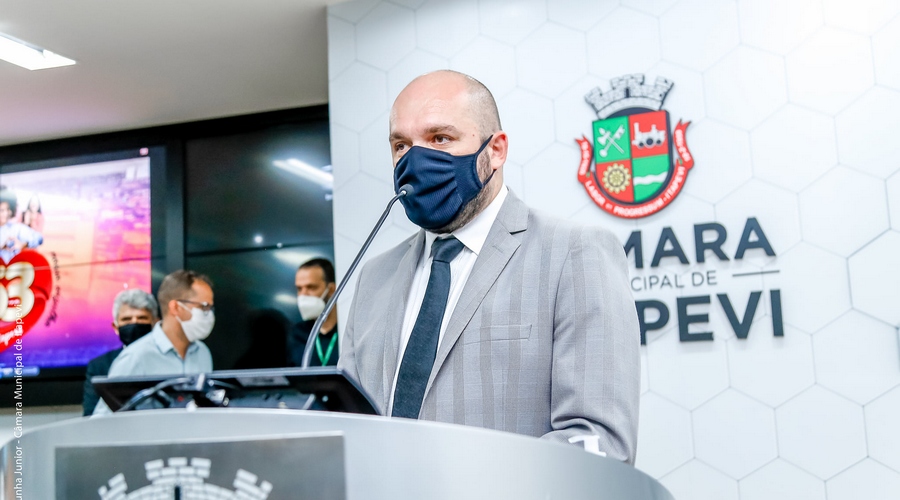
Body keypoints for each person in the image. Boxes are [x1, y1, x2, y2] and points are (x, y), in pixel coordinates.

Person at [338, 70, 641, 463]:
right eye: (401, 145)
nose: (414, 161)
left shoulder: (574, 254)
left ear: (496, 150)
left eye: (440, 138)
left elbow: (598, 441)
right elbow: (346, 427)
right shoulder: (373, 277)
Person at [92, 270, 215, 416]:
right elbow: (103, 419)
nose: (209, 314)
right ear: (176, 307)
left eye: (210, 308)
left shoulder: (202, 353)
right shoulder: (136, 357)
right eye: (204, 307)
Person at [82, 289, 158, 416]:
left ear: (155, 323)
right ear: (116, 327)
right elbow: (90, 415)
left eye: (142, 318)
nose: (134, 323)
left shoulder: (166, 357)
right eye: (127, 319)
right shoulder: (99, 366)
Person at [288, 258, 338, 367]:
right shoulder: (296, 334)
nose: (303, 295)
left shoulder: (347, 330)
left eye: (311, 287)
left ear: (331, 289)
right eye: (299, 289)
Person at [0, 188, 43, 262]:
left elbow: (39, 238)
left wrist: (23, 244)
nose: (4, 213)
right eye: (1, 210)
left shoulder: (15, 228)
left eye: (6, 210)